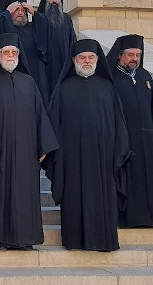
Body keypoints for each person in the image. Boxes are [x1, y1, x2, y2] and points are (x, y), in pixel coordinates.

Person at [0, 33, 59, 249]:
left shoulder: (29, 82)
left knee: (24, 195)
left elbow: (40, 115)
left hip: (26, 152)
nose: (10, 56)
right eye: (6, 52)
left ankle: (25, 239)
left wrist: (42, 144)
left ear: (19, 55)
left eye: (13, 52)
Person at [45, 39, 130, 251]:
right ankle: (75, 240)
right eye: (81, 58)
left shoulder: (108, 88)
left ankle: (103, 241)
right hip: (72, 157)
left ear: (98, 60)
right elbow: (53, 125)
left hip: (103, 158)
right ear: (73, 60)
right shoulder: (63, 89)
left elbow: (119, 124)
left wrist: (119, 151)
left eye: (91, 57)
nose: (86, 61)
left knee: (103, 200)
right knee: (75, 197)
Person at [106, 34, 153, 228]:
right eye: (130, 55)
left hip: (147, 138)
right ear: (120, 56)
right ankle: (132, 218)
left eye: (138, 54)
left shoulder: (145, 77)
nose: (135, 58)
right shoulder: (111, 77)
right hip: (124, 139)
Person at [0, 0, 50, 102]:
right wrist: (6, 12)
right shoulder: (5, 26)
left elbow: (48, 30)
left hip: (36, 71)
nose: (20, 13)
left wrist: (34, 13)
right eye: (16, 10)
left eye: (23, 10)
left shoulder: (34, 27)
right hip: (16, 72)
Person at [37, 0, 77, 96]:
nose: (54, 1)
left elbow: (72, 39)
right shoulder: (40, 18)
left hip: (65, 61)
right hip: (47, 64)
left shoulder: (67, 18)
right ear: (46, 1)